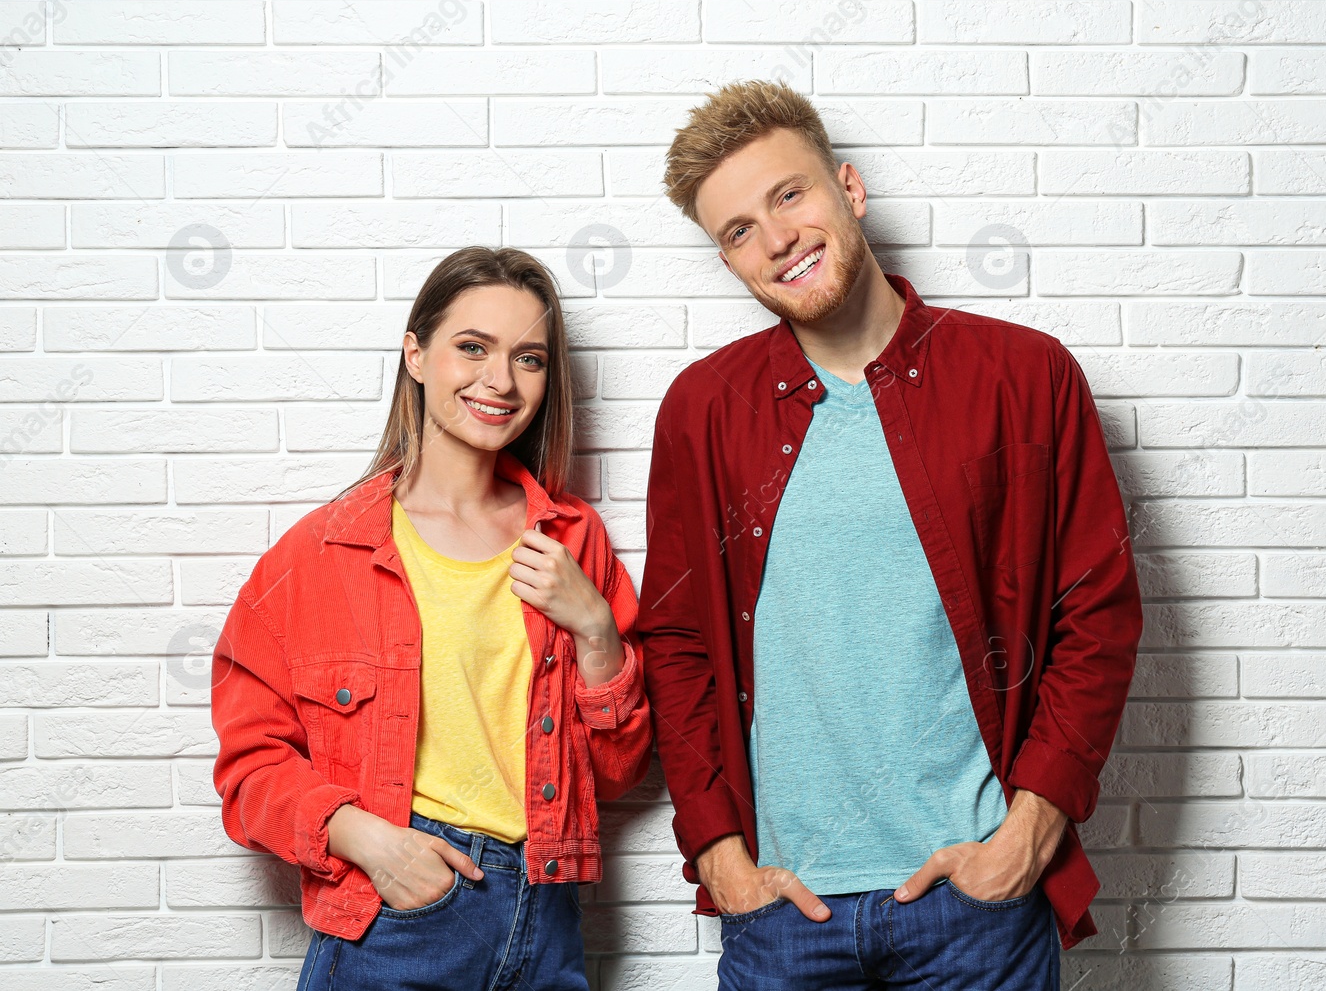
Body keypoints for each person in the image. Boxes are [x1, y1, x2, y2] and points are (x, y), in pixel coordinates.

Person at [638, 81, 1144, 990]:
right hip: (783, 913)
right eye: (739, 230)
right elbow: (676, 645)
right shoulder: (702, 412)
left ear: (849, 189)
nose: (777, 237)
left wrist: (1029, 831)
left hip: (974, 905)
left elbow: (1096, 617)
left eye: (789, 195)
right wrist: (715, 849)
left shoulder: (1022, 378)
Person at [210, 246, 651, 991]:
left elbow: (615, 773)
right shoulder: (322, 554)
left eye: (530, 358)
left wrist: (597, 632)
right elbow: (250, 768)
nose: (500, 381)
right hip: (400, 917)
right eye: (472, 347)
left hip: (548, 915)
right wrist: (369, 841)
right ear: (416, 354)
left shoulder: (574, 541)